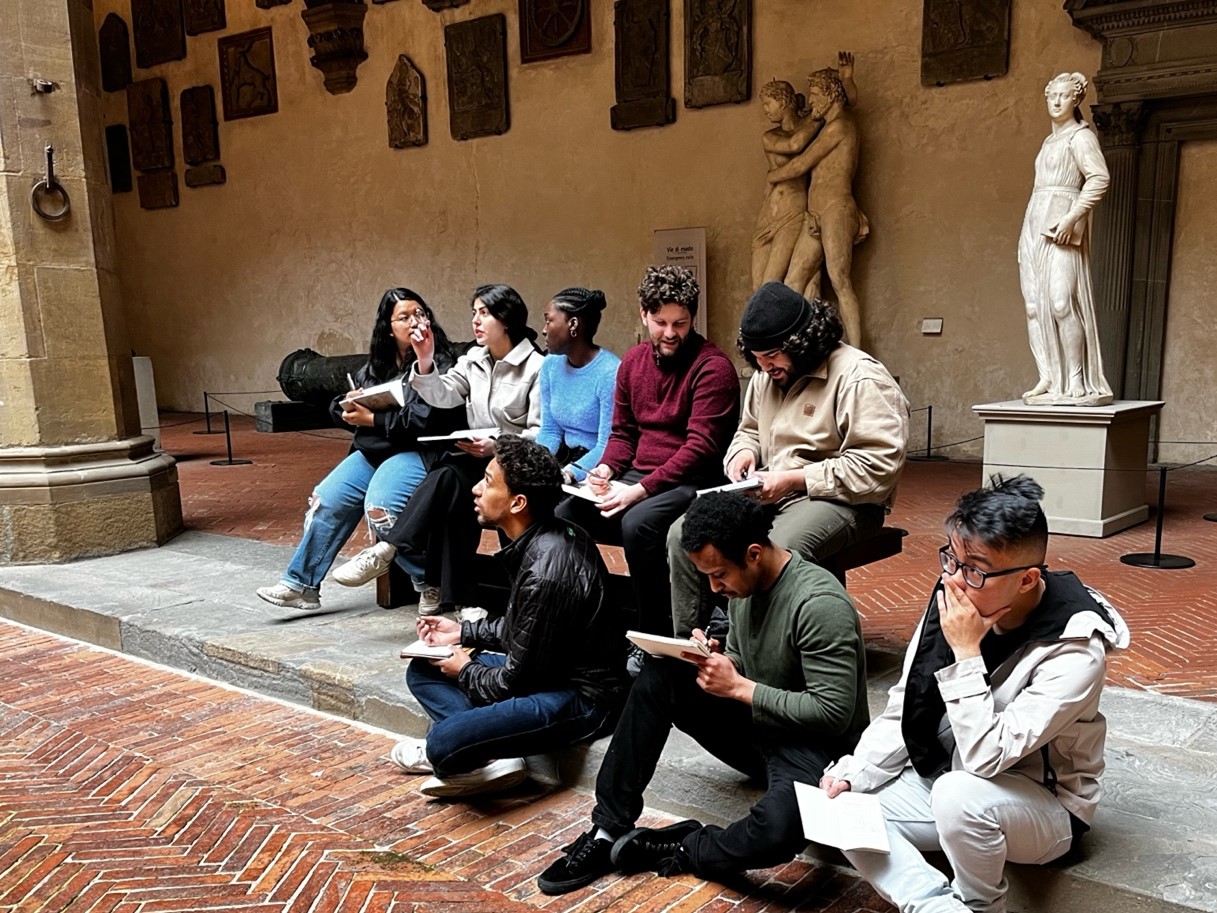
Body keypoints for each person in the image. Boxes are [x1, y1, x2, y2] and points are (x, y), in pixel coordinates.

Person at [820, 475, 1129, 913]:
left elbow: (987, 757)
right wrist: (858, 771)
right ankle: (937, 908)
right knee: (842, 808)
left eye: (975, 570)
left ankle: (982, 905)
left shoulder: (1076, 650)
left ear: (1026, 580)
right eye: (951, 559)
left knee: (957, 794)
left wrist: (966, 653)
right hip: (948, 776)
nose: (956, 581)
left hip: (1043, 808)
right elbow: (908, 699)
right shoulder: (957, 592)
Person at [536, 491, 869, 894]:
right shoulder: (744, 588)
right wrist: (716, 659)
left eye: (719, 574)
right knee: (661, 672)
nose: (714, 587)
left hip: (817, 750)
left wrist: (740, 687)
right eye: (706, 576)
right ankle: (607, 829)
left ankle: (686, 845)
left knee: (779, 831)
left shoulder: (818, 603)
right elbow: (753, 662)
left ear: (753, 553)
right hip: (760, 728)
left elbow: (834, 712)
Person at [389, 435, 629, 798]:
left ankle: (480, 752)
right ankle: (492, 754)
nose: (475, 489)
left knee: (443, 742)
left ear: (518, 502)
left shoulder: (547, 569)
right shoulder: (542, 536)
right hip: (545, 671)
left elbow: (512, 681)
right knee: (423, 667)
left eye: (487, 482)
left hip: (581, 697)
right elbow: (527, 629)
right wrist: (463, 633)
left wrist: (465, 670)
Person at [668, 282, 909, 637]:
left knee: (770, 552)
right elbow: (747, 430)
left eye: (773, 355)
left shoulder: (860, 377)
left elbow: (879, 468)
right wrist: (743, 454)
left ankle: (749, 657)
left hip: (843, 500)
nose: (764, 366)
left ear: (805, 342)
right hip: (770, 490)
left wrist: (794, 479)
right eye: (757, 357)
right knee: (682, 533)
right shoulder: (767, 375)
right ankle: (691, 648)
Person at [333, 285, 545, 614]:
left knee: (452, 492)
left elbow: (540, 432)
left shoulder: (536, 367)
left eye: (484, 313)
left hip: (512, 462)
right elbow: (443, 394)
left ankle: (402, 557)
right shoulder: (474, 359)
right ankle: (396, 558)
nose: (475, 321)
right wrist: (426, 359)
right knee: (447, 477)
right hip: (477, 459)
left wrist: (497, 444)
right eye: (473, 312)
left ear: (506, 320)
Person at [556, 266, 739, 635]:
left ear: (693, 319)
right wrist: (607, 468)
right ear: (644, 314)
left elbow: (701, 448)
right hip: (639, 476)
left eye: (680, 323)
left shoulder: (713, 368)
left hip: (693, 480)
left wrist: (639, 491)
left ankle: (652, 631)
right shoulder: (633, 363)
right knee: (566, 515)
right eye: (660, 322)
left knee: (638, 525)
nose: (670, 333)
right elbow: (622, 434)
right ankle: (597, 616)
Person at [255, 289, 463, 610]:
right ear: (387, 326)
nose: (414, 322)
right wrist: (347, 407)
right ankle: (302, 584)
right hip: (375, 450)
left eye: (419, 314)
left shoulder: (441, 361)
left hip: (415, 450)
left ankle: (429, 581)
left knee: (381, 508)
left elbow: (426, 421)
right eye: (404, 317)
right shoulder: (377, 364)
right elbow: (341, 405)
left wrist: (374, 418)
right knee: (326, 498)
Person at [1018, 72, 1113, 405]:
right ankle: (1048, 375)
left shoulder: (1081, 137)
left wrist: (1072, 217)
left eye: (1064, 96)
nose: (1056, 102)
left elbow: (1099, 179)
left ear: (1076, 100)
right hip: (1033, 225)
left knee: (1060, 303)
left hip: (1061, 227)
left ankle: (1075, 378)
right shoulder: (1048, 141)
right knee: (1033, 307)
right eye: (1051, 95)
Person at [767, 67, 869, 349]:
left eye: (814, 94)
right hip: (816, 213)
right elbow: (851, 97)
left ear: (829, 95)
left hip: (837, 208)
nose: (810, 102)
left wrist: (771, 176)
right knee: (793, 281)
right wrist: (848, 81)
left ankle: (860, 354)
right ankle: (791, 346)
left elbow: (803, 162)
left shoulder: (840, 126)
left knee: (840, 280)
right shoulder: (829, 124)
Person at [752, 54, 858, 290]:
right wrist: (820, 112)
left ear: (783, 102)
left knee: (782, 285)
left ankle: (810, 326)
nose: (765, 111)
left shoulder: (819, 126)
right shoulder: (773, 135)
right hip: (770, 210)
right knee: (759, 289)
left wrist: (846, 81)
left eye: (768, 103)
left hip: (797, 209)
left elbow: (797, 147)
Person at [536, 287, 620, 484]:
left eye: (549, 320)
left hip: (597, 469)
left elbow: (606, 444)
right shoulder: (550, 365)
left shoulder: (610, 373)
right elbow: (550, 431)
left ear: (573, 324)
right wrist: (534, 464)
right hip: (562, 458)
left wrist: (569, 474)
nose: (544, 329)